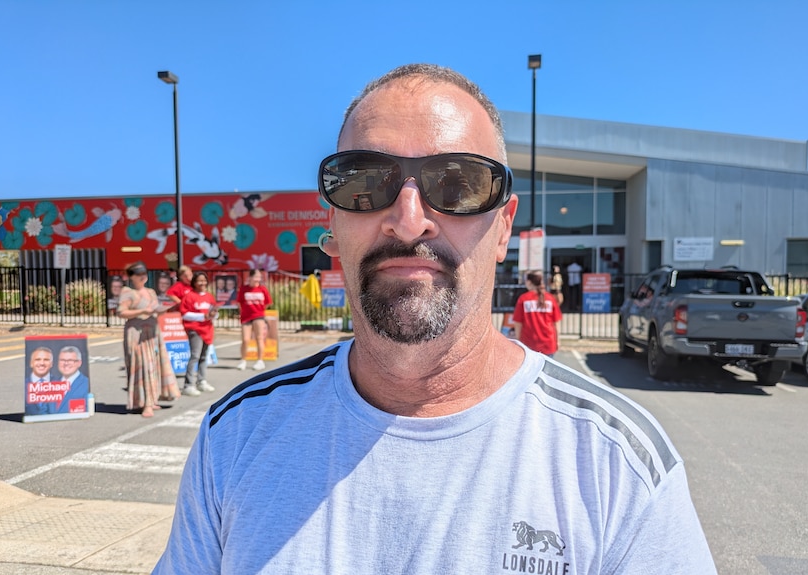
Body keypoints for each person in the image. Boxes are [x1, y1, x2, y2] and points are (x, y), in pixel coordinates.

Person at [154, 64, 715, 573]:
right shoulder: (238, 436)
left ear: (503, 227)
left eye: (457, 185)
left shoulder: (615, 464)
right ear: (332, 218)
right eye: (365, 180)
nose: (408, 219)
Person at [118, 262, 179, 417]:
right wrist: (142, 310)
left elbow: (156, 310)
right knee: (142, 366)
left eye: (144, 273)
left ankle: (151, 400)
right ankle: (145, 404)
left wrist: (162, 309)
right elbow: (121, 312)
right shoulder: (127, 292)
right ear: (132, 277)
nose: (142, 276)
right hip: (136, 333)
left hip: (152, 331)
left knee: (153, 366)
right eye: (139, 274)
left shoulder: (151, 291)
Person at [179, 271, 218, 397]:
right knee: (195, 356)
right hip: (195, 329)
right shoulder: (189, 296)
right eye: (199, 281)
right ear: (194, 283)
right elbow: (184, 314)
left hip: (207, 329)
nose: (202, 283)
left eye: (204, 280)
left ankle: (201, 381)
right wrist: (203, 316)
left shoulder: (209, 296)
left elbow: (214, 312)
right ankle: (188, 385)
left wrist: (214, 315)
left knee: (203, 357)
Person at [513, 270, 562, 356]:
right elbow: (556, 323)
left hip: (528, 345)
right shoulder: (550, 298)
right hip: (548, 344)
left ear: (529, 282)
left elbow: (518, 323)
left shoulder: (523, 299)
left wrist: (518, 341)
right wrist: (558, 340)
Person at [235, 269, 272, 371]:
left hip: (258, 315)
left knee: (259, 338)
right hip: (246, 317)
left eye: (259, 277)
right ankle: (243, 360)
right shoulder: (244, 288)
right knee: (245, 339)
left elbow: (268, 302)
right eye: (256, 276)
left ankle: (260, 361)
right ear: (250, 277)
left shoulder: (262, 289)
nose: (258, 279)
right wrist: (242, 312)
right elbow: (239, 302)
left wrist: (260, 310)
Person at [53, 346, 91, 413]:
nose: (66, 363)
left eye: (70, 360)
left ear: (79, 363)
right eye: (62, 360)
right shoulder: (50, 384)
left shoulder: (85, 383)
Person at [24, 346, 55, 415]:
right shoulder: (23, 385)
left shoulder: (61, 383)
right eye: (38, 359)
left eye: (46, 360)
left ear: (51, 364)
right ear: (31, 363)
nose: (42, 363)